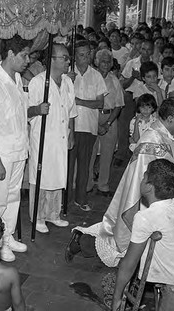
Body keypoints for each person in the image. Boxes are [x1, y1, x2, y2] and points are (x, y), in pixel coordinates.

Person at [65, 98, 174, 267]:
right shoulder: (153, 140)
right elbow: (167, 177)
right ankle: (82, 242)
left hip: (153, 197)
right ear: (171, 118)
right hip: (142, 199)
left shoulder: (164, 135)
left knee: (133, 239)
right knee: (124, 239)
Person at [111, 159, 174, 311]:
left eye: (144, 176)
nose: (142, 178)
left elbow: (129, 264)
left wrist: (116, 297)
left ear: (149, 187)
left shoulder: (145, 217)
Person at [0, 35, 31, 262]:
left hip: (19, 148)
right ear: (10, 54)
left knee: (13, 197)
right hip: (2, 152)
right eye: (24, 55)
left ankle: (7, 236)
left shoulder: (18, 78)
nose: (28, 60)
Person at [27, 43, 77, 233]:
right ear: (52, 60)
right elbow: (27, 111)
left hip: (62, 137)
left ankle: (53, 214)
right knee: (42, 176)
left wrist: (71, 133)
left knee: (58, 175)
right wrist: (38, 109)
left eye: (67, 58)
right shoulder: (38, 82)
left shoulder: (67, 82)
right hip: (44, 139)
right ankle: (38, 216)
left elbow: (71, 111)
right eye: (64, 58)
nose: (68, 61)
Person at [67, 40, 107, 211]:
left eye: (88, 54)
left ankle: (81, 199)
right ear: (74, 57)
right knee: (68, 166)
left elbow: (100, 103)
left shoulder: (96, 75)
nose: (85, 58)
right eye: (81, 55)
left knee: (85, 166)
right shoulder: (67, 75)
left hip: (89, 126)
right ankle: (66, 200)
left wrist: (79, 102)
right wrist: (67, 83)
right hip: (70, 127)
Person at [87, 49, 124, 197]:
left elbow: (119, 105)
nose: (105, 64)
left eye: (108, 61)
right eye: (102, 61)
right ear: (96, 62)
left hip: (110, 118)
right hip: (92, 117)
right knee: (90, 153)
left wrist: (108, 123)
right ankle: (87, 183)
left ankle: (103, 185)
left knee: (108, 154)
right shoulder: (90, 78)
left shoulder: (114, 80)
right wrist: (96, 123)